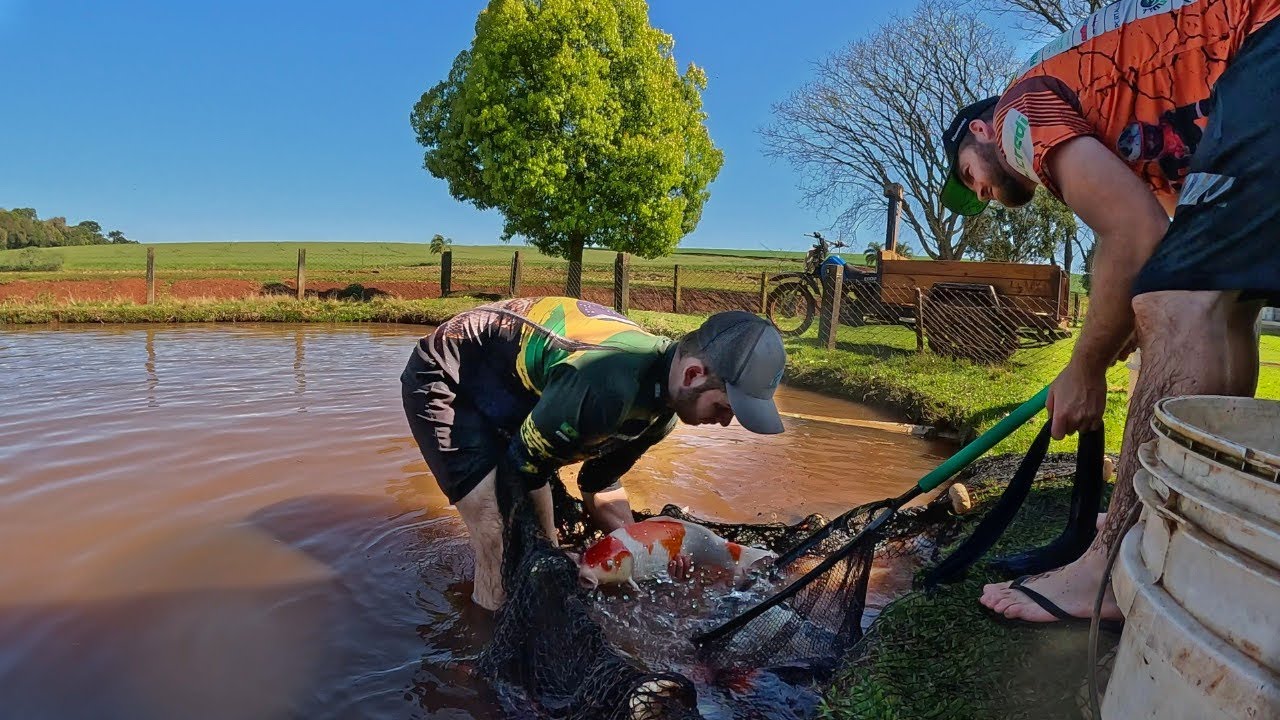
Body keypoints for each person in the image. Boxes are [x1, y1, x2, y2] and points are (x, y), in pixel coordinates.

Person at [938, 0, 1280, 627]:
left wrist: (1085, 366)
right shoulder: (1154, 140)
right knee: (1224, 302)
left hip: (1268, 41)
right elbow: (1167, 253)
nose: (982, 195)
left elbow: (1135, 237)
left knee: (1181, 299)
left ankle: (1114, 561)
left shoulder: (1017, 109)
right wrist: (1119, 325)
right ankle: (1182, 520)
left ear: (981, 132)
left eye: (969, 176)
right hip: (1260, 67)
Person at [400, 296, 788, 610]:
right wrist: (549, 555)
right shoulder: (608, 386)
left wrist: (642, 551)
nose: (725, 422)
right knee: (496, 531)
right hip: (451, 373)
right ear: (692, 375)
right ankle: (483, 643)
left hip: (516, 386)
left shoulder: (663, 415)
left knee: (532, 525)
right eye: (724, 408)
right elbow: (521, 470)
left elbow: (599, 483)